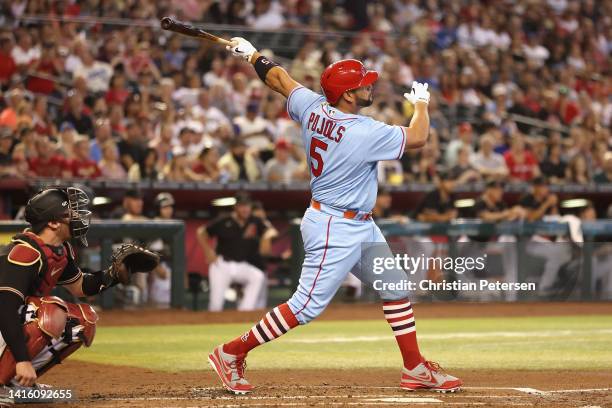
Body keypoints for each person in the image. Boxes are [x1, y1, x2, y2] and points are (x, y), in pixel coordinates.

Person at [206, 37, 461, 394]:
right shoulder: (363, 131)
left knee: (395, 286)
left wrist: (252, 55)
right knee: (305, 307)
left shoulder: (312, 107)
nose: (369, 85)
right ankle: (230, 353)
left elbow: (278, 79)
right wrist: (421, 104)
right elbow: (418, 137)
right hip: (334, 226)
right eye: (362, 84)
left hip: (357, 222)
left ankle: (415, 367)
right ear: (348, 96)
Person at [0, 187, 155, 395]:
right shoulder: (25, 252)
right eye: (70, 214)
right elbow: (6, 310)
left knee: (81, 320)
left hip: (7, 324)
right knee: (48, 312)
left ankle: (14, 382)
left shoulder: (60, 250)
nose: (78, 218)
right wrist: (22, 360)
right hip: (4, 317)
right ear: (53, 222)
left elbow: (81, 286)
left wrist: (114, 274)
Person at [196, 194, 268, 312]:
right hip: (222, 265)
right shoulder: (225, 220)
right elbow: (201, 232)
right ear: (236, 207)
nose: (245, 209)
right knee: (215, 306)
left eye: (248, 206)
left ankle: (245, 310)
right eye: (242, 206)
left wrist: (268, 235)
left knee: (257, 276)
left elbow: (269, 230)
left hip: (241, 265)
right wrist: (208, 251)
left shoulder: (254, 221)